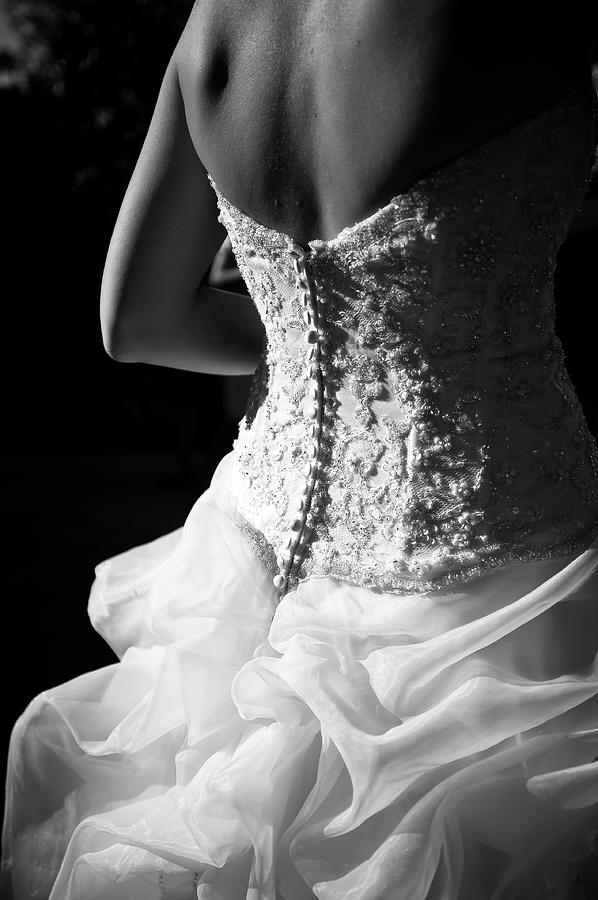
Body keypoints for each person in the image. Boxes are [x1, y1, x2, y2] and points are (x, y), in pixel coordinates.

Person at [4, 1, 598, 897]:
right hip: (500, 577)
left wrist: (327, 356)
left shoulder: (219, 27)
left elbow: (137, 319)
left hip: (254, 561)